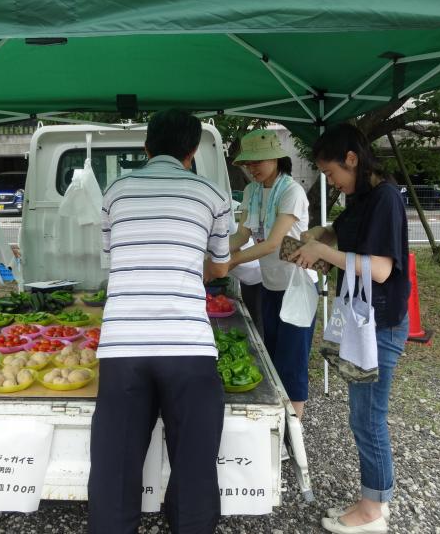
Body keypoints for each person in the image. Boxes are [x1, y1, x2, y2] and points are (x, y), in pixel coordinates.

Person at [87, 109, 231, 534]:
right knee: (195, 469)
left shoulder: (115, 191)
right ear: (191, 151)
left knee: (115, 469)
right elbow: (220, 268)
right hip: (189, 348)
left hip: (122, 349)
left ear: (146, 147)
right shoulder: (213, 194)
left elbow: (114, 258)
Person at [289, 123, 410, 534]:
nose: (330, 181)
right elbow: (348, 236)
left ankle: (373, 510)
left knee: (368, 418)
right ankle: (373, 497)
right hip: (366, 322)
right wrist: (324, 234)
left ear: (352, 159)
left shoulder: (386, 198)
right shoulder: (361, 198)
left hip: (380, 324)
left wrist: (323, 250)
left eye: (331, 173)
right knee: (363, 416)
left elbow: (379, 268)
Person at [226, 128, 316, 419]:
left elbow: (274, 243)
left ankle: (294, 429)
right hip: (271, 283)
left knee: (292, 360)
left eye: (259, 161)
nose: (253, 168)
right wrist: (216, 253)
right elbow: (242, 234)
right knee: (272, 353)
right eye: (248, 163)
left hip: (297, 286)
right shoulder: (252, 191)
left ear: (277, 158)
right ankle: (278, 420)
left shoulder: (291, 191)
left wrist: (228, 263)